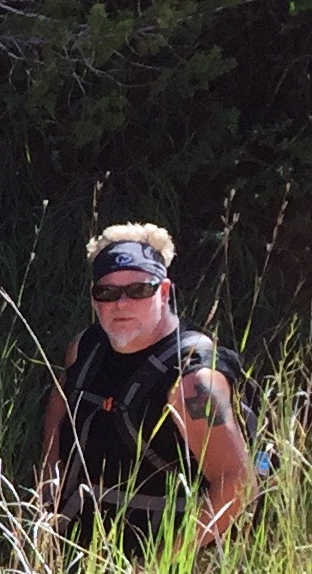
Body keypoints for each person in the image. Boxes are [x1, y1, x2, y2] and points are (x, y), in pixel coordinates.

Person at [39, 223, 256, 555]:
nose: (121, 304)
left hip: (167, 559)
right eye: (107, 292)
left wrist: (164, 564)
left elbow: (237, 482)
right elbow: (59, 412)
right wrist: (45, 507)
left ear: (164, 292)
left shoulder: (193, 381)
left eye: (139, 290)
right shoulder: (85, 348)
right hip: (85, 549)